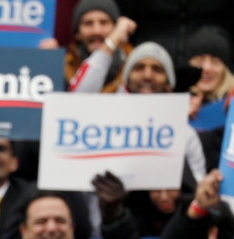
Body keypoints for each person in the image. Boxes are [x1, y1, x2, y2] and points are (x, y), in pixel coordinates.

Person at [72, 41, 207, 188]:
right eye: (139, 68)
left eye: (157, 69)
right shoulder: (102, 125)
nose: (148, 76)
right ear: (127, 78)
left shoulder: (185, 134)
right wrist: (113, 39)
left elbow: (198, 192)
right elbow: (77, 100)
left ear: (169, 83)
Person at [62, 0, 135, 93]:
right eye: (88, 23)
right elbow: (80, 100)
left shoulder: (135, 66)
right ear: (77, 33)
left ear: (116, 28)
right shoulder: (63, 67)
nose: (97, 31)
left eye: (104, 22)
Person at [187, 27, 234, 123]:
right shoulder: (172, 101)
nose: (206, 69)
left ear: (226, 70)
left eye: (215, 62)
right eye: (199, 61)